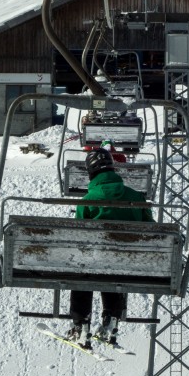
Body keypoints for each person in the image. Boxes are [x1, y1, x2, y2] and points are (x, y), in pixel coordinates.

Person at [67, 149, 152, 348]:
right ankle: (111, 320)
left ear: (91, 173)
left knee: (84, 269)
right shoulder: (136, 198)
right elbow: (151, 230)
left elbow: (77, 237)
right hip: (129, 264)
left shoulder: (87, 201)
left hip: (94, 264)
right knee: (115, 267)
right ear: (113, 169)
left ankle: (81, 325)